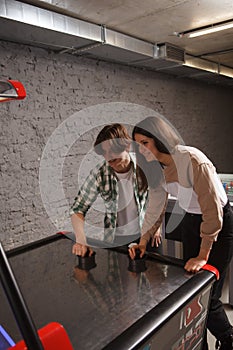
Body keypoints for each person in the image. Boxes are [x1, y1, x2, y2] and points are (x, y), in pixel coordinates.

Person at [129, 116, 233, 350]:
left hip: (219, 222)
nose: (142, 150)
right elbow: (156, 207)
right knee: (191, 292)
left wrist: (203, 255)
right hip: (191, 220)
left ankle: (228, 338)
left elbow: (212, 212)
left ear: (160, 139)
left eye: (145, 143)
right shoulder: (154, 167)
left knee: (210, 294)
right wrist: (144, 240)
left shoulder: (192, 160)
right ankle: (199, 344)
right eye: (138, 145)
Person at [70, 123, 162, 257]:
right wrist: (81, 240)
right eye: (104, 152)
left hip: (148, 235)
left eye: (113, 150)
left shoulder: (145, 165)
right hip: (116, 239)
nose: (109, 157)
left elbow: (159, 197)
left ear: (127, 146)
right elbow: (78, 208)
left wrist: (157, 226)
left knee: (155, 276)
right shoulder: (99, 174)